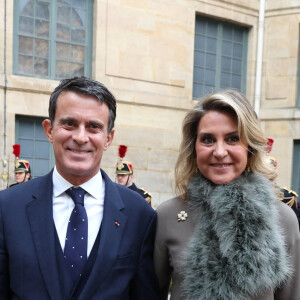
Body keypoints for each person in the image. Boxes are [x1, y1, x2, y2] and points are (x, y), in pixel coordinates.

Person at [0, 77, 159, 299]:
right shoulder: (7, 207)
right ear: (49, 130)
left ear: (108, 138)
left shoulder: (139, 214)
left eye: (94, 127)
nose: (80, 137)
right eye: (69, 123)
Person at [154, 89, 300, 300]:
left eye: (232, 139)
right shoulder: (168, 215)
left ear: (249, 146)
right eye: (207, 140)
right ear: (194, 147)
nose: (220, 152)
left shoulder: (283, 219)